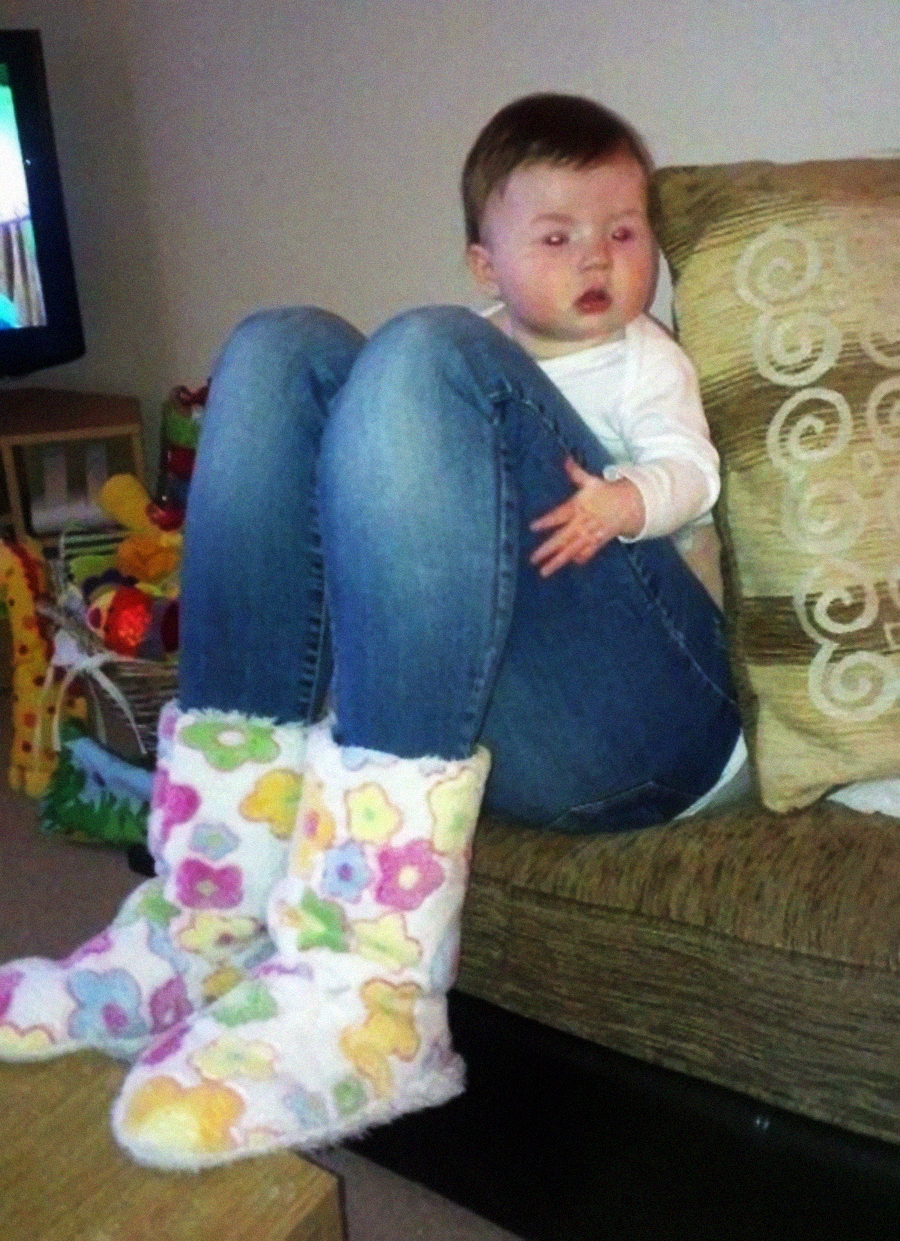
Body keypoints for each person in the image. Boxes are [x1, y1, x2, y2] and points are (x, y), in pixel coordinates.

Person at [0, 93, 744, 1169]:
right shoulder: (479, 349)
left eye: (625, 233)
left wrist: (629, 498)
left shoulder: (638, 358)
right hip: (511, 712)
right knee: (279, 345)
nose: (600, 257)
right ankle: (206, 923)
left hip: (660, 724)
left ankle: (370, 993)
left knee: (420, 351)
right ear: (486, 260)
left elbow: (692, 471)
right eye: (558, 234)